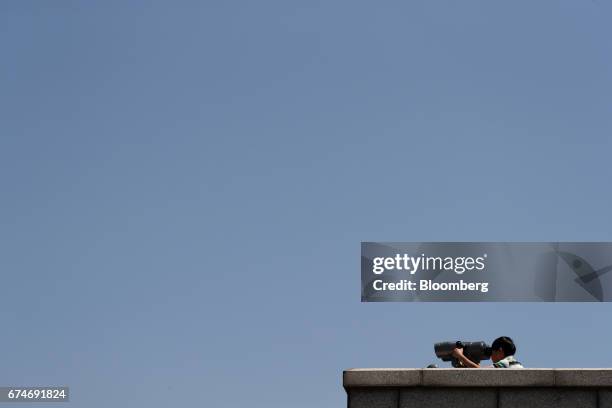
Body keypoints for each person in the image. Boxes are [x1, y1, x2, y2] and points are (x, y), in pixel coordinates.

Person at [451, 336, 523, 368]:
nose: (491, 356)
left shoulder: (505, 363)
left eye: (492, 352)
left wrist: (460, 356)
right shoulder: (515, 363)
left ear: (500, 351)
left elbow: (482, 373)